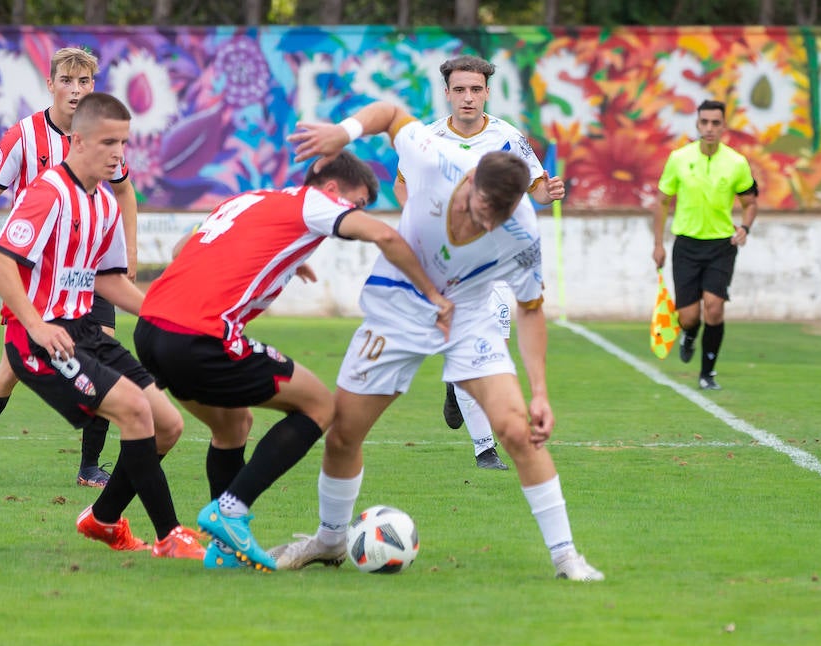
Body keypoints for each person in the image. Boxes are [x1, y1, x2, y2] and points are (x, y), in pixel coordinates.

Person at [278, 101, 606, 581]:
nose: (480, 222)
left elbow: (532, 309)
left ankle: (566, 558)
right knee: (345, 432)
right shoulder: (434, 158)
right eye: (476, 208)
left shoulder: (522, 235)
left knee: (518, 430)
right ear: (469, 181)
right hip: (398, 307)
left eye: (494, 219)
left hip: (469, 317)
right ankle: (328, 541)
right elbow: (390, 113)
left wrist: (540, 392)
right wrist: (343, 133)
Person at [135, 152, 448, 572]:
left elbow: (181, 248)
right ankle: (230, 509)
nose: (353, 216)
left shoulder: (252, 199)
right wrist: (433, 292)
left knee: (233, 425)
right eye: (354, 205)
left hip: (151, 330)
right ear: (333, 190)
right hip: (199, 337)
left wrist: (282, 255)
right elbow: (385, 237)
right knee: (321, 406)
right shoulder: (315, 202)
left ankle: (224, 551)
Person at [0, 92, 203, 559]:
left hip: (83, 331)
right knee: (135, 412)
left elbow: (108, 280)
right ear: (78, 141)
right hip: (39, 341)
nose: (118, 153)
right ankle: (170, 536)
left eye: (123, 142)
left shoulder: (104, 202)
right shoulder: (48, 192)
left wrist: (161, 315)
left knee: (167, 425)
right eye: (108, 142)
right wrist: (36, 325)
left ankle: (102, 519)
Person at [0, 47, 139, 489]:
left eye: (84, 82)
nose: (75, 90)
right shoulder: (24, 136)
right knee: (12, 368)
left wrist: (129, 256)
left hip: (89, 270)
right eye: (67, 80)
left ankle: (89, 466)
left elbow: (125, 192)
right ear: (50, 84)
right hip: (38, 277)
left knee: (102, 355)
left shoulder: (101, 137)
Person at [400, 55, 566, 472]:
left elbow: (537, 189)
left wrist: (551, 191)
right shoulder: (428, 138)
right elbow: (402, 184)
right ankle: (485, 448)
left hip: (491, 257)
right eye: (460, 90)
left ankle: (460, 393)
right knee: (470, 344)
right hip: (443, 260)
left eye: (476, 89)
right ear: (448, 93)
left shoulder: (508, 138)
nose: (468, 98)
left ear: (487, 92)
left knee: (489, 342)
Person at [652, 100, 759, 391]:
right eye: (704, 122)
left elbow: (750, 203)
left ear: (724, 126)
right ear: (697, 124)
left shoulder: (736, 163)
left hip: (721, 246)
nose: (709, 128)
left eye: (715, 123)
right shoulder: (679, 158)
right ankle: (689, 334)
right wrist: (658, 244)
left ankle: (707, 373)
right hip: (685, 245)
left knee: (714, 308)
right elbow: (661, 202)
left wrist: (745, 228)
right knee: (689, 317)